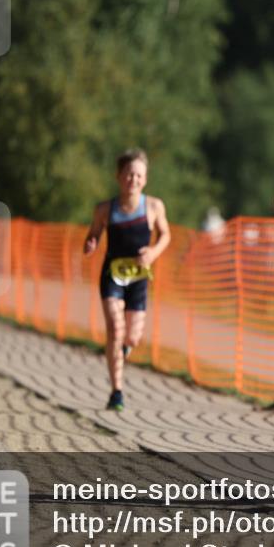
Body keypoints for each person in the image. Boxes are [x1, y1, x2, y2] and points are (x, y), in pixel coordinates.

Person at [83, 149, 171, 412]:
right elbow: (94, 233)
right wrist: (91, 242)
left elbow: (166, 235)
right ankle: (116, 392)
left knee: (132, 337)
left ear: (145, 179)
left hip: (139, 279)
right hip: (112, 274)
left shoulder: (154, 206)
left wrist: (153, 253)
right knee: (114, 328)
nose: (133, 179)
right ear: (119, 176)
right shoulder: (104, 209)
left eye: (139, 175)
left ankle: (121, 352)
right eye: (129, 174)